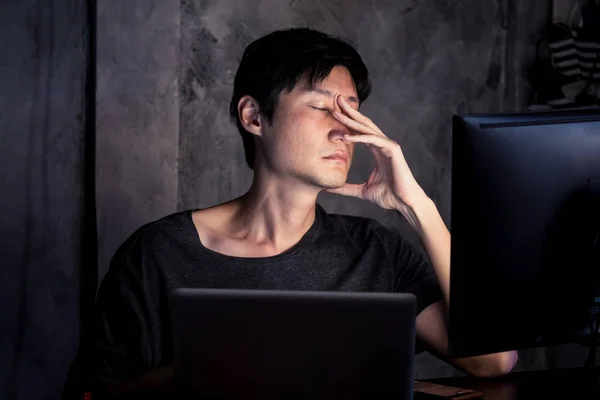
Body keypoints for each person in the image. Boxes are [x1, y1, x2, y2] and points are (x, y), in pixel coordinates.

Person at [63, 27, 518, 399]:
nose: (344, 130)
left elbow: (493, 359)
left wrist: (418, 207)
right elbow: (95, 395)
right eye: (321, 107)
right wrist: (213, 373)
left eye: (352, 113)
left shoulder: (375, 251)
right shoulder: (158, 254)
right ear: (254, 117)